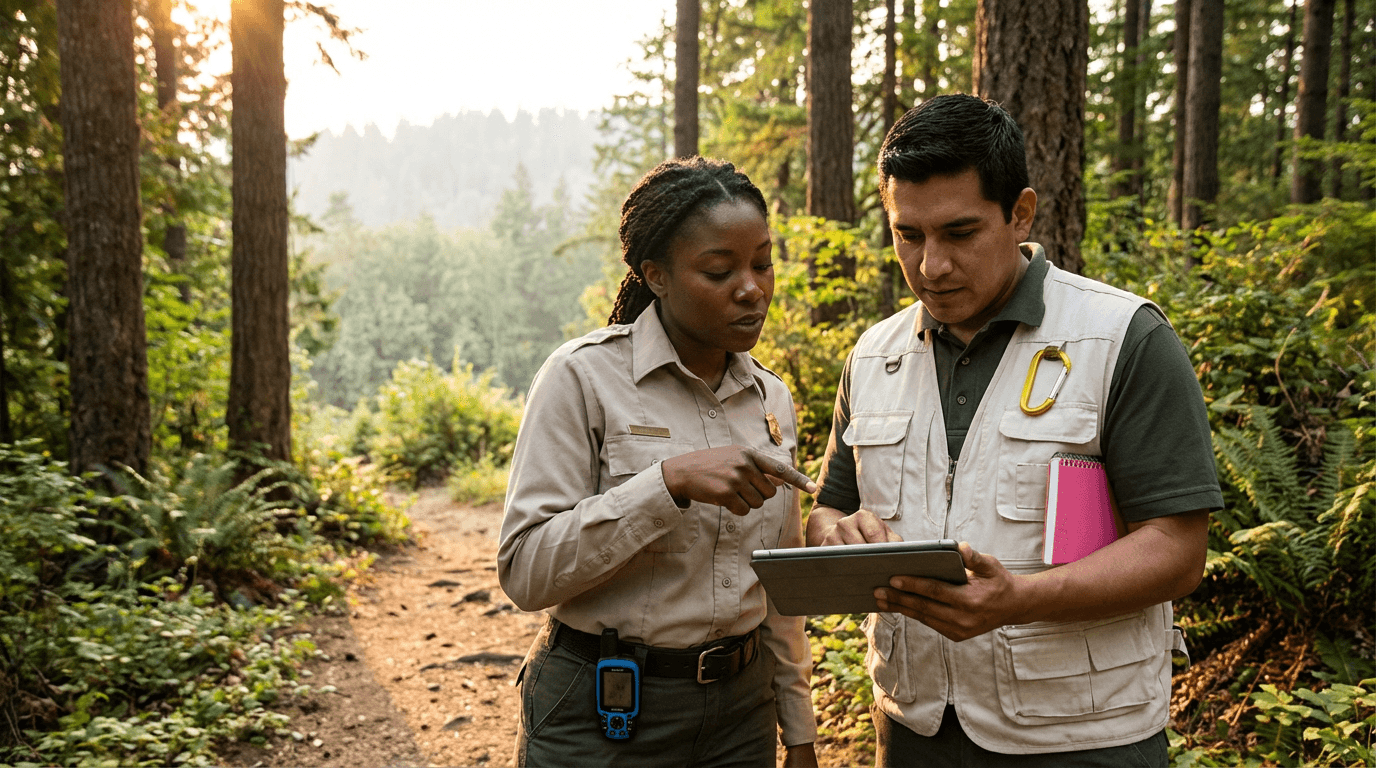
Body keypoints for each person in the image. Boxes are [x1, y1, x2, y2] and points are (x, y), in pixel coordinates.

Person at [806, 94, 1223, 767]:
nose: (930, 265)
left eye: (959, 232)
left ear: (1020, 212)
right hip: (913, 731)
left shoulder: (1123, 338)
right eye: (906, 235)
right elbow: (829, 510)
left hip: (1083, 739)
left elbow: (1177, 549)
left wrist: (1018, 600)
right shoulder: (872, 356)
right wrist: (837, 537)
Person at [498, 156, 820, 767]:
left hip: (741, 719)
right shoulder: (582, 378)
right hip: (605, 714)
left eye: (762, 263)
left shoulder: (771, 400)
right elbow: (525, 572)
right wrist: (668, 482)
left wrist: (798, 728)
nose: (751, 287)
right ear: (656, 275)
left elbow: (777, 586)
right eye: (719, 270)